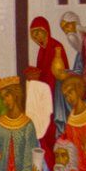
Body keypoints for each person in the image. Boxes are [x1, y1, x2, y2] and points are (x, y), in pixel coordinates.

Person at [24, 16, 69, 157]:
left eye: (38, 33)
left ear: (46, 31)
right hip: (44, 94)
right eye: (34, 35)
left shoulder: (56, 47)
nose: (37, 37)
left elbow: (61, 73)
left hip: (56, 96)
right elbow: (42, 72)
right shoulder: (41, 50)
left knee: (52, 130)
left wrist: (41, 80)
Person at [0, 80, 37, 171]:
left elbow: (30, 159)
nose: (5, 101)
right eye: (2, 98)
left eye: (7, 96)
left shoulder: (28, 125)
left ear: (15, 95)